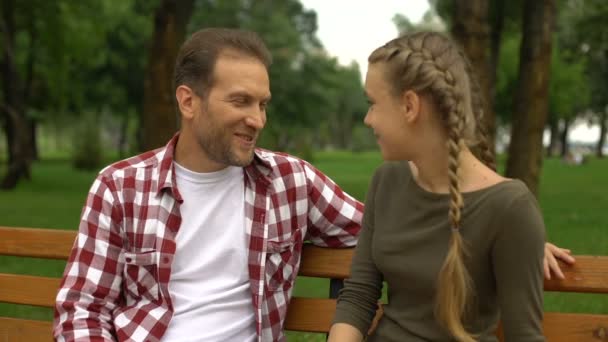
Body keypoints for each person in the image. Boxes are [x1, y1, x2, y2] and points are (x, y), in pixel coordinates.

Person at [54, 28, 572, 342]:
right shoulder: (120, 187)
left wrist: (517, 237)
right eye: (240, 102)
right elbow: (82, 310)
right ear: (188, 102)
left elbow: (395, 223)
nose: (257, 119)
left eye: (263, 103)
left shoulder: (289, 182)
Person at [328, 32, 561, 342]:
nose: (368, 119)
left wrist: (525, 243)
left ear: (410, 106)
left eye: (373, 104)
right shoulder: (387, 181)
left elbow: (524, 337)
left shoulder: (510, 207)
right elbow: (358, 296)